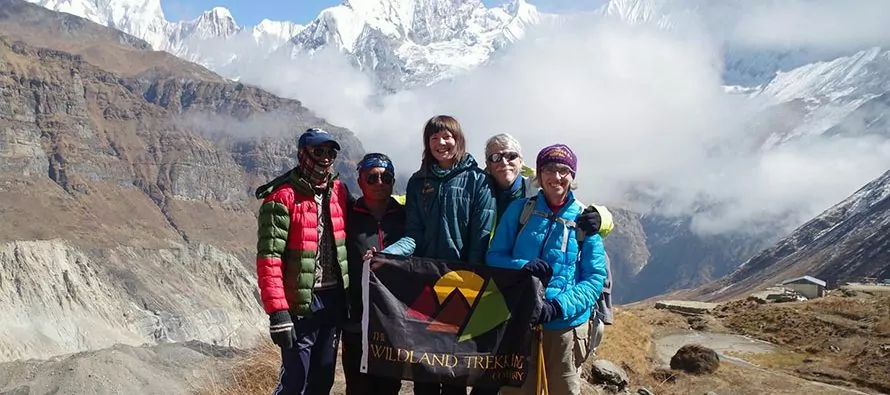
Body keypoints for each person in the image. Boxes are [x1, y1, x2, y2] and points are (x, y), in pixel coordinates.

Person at [372, 115, 496, 395]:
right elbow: (414, 235)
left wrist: (472, 283)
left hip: (464, 285)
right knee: (424, 370)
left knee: (453, 371)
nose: (442, 143)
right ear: (427, 144)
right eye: (434, 138)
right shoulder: (419, 183)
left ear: (458, 139)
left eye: (447, 137)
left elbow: (480, 238)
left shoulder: (478, 181)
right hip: (426, 286)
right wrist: (386, 255)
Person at [486, 143, 608, 395]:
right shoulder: (521, 210)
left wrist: (558, 307)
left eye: (564, 170)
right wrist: (522, 266)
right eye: (549, 169)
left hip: (565, 326)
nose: (556, 177)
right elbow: (494, 256)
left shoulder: (586, 221)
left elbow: (595, 277)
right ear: (539, 175)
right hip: (520, 321)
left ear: (572, 176)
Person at [254, 128, 350, 395]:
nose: (326, 158)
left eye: (330, 152)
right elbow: (269, 258)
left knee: (322, 379)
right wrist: (278, 312)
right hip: (300, 305)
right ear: (303, 154)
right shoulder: (281, 197)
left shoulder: (338, 190)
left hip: (334, 300)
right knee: (295, 381)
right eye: (318, 151)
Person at [342, 153, 405, 395]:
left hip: (394, 317)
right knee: (358, 386)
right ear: (359, 181)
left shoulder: (406, 217)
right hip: (356, 316)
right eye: (372, 178)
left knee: (390, 386)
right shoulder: (348, 216)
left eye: (385, 177)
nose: (379, 183)